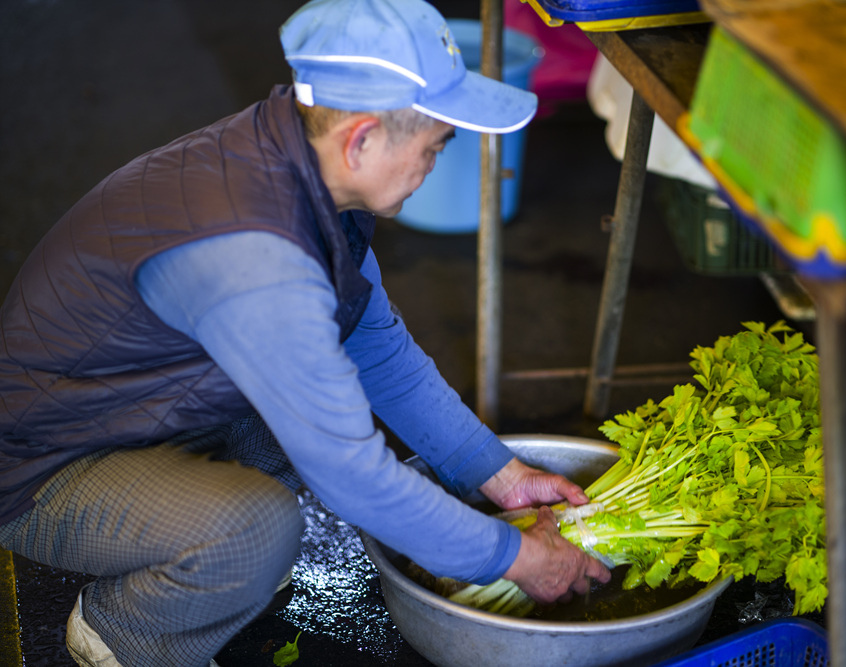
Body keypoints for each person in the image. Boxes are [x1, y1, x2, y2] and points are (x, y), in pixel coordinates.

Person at [0, 0, 611, 665]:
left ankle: (199, 554)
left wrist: (498, 473)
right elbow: (353, 474)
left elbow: (378, 349)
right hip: (41, 469)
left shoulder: (293, 164)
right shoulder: (257, 255)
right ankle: (121, 631)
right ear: (362, 138)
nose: (434, 163)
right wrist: (516, 556)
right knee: (258, 529)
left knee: (313, 414)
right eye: (434, 146)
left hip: (136, 411)